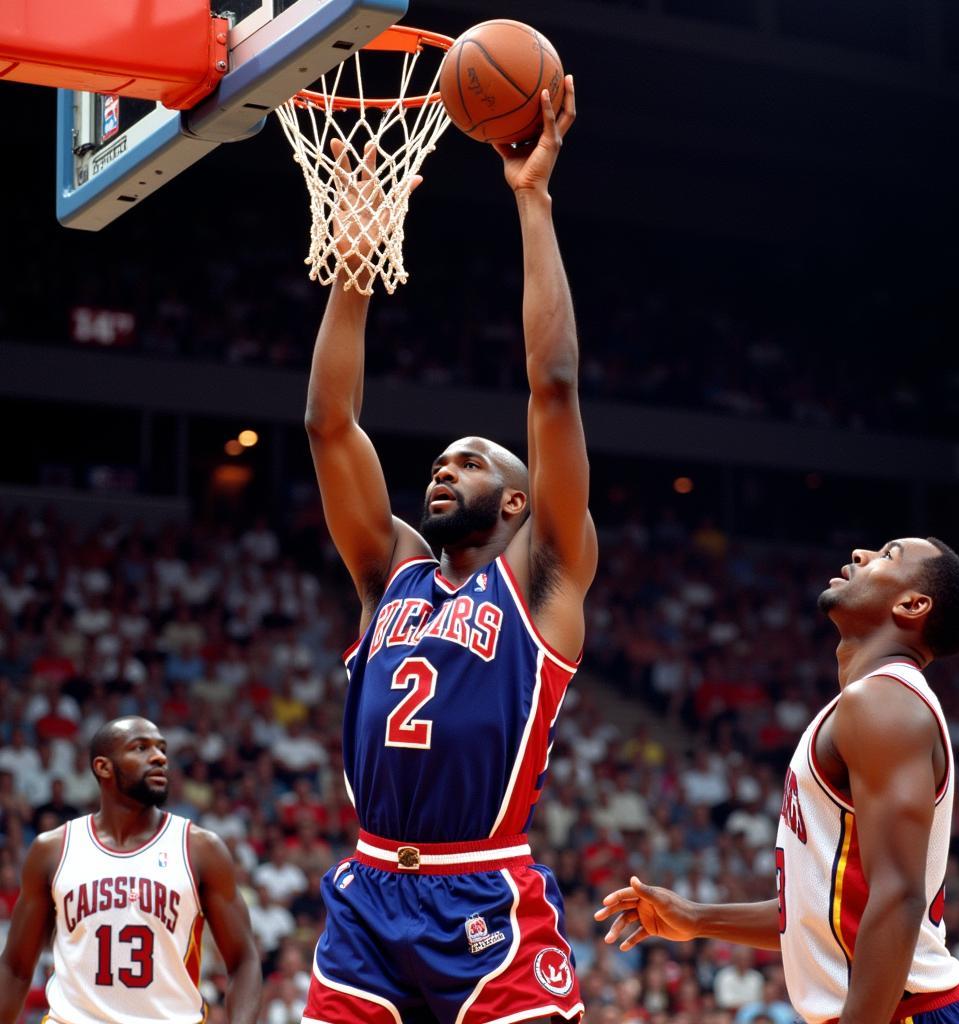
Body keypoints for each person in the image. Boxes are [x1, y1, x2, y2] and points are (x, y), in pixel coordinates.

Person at [302, 77, 596, 1024]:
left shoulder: (541, 571)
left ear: (516, 499)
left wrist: (532, 201)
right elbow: (328, 424)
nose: (441, 469)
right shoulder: (390, 571)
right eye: (435, 460)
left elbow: (551, 387)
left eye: (467, 462)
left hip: (484, 897)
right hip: (368, 889)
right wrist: (353, 272)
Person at [597, 538, 959, 1024]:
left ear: (912, 605)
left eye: (888, 556)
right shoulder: (870, 703)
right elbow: (822, 913)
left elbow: (898, 896)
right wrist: (698, 918)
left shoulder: (884, 703)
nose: (862, 554)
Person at [0, 716, 261, 1024]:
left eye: (161, 749)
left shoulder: (201, 848)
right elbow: (16, 966)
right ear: (103, 767)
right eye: (140, 748)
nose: (159, 757)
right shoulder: (53, 849)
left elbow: (244, 960)